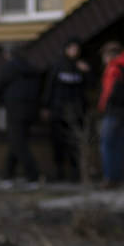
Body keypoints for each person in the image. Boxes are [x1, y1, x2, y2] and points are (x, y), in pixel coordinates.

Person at [0, 43, 43, 190]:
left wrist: (3, 98)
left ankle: (34, 176)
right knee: (17, 142)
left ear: (7, 54)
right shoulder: (31, 67)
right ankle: (7, 175)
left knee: (18, 144)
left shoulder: (9, 67)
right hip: (31, 111)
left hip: (15, 110)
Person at [42, 37, 92, 183]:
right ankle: (59, 171)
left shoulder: (82, 66)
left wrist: (87, 72)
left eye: (76, 49)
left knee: (75, 144)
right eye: (71, 48)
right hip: (58, 111)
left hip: (76, 112)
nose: (73, 52)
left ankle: (76, 173)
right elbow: (49, 86)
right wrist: (46, 106)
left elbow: (91, 84)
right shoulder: (57, 65)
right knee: (57, 143)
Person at [97, 40, 124, 189]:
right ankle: (117, 178)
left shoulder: (113, 69)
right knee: (118, 145)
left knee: (106, 145)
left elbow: (108, 93)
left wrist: (103, 108)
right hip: (123, 112)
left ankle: (108, 178)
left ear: (109, 56)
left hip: (112, 112)